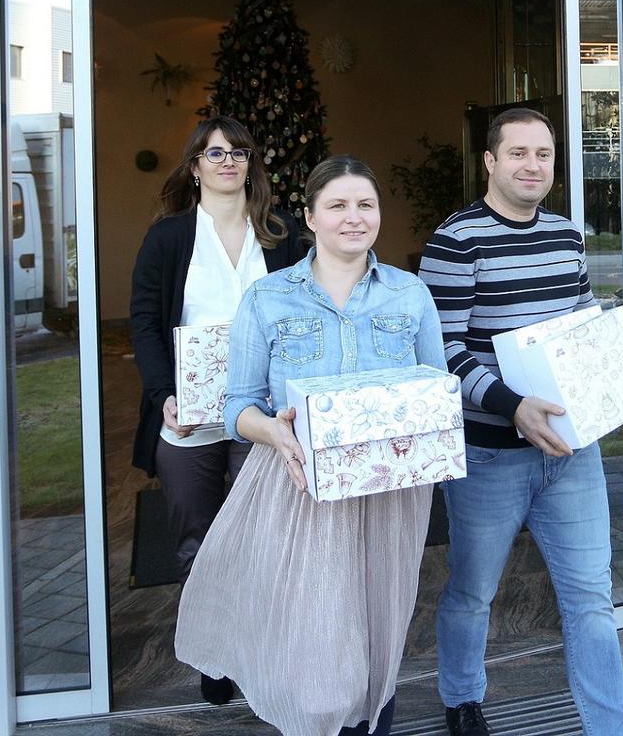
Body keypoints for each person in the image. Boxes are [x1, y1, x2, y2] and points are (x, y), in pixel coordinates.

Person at [175, 155, 446, 736]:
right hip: (300, 489)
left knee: (380, 627)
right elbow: (237, 406)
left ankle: (374, 722)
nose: (354, 217)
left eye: (366, 205)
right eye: (338, 205)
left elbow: (437, 392)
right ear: (311, 217)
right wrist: (273, 430)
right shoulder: (267, 298)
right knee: (318, 634)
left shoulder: (411, 294)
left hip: (390, 491)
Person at [418, 107, 623, 736]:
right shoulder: (456, 240)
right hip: (489, 456)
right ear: (489, 161)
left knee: (591, 597)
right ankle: (462, 698)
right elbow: (440, 352)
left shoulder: (567, 234)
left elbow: (580, 320)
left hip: (569, 451)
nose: (532, 165)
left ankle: (612, 728)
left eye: (544, 154)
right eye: (518, 153)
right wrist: (512, 405)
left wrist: (604, 376)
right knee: (473, 591)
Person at [128, 116, 305, 705]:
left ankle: (259, 652)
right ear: (195, 166)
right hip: (188, 416)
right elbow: (144, 323)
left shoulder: (280, 234)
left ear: (251, 164)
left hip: (263, 414)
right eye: (215, 153)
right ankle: (213, 653)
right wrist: (163, 395)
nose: (228, 161)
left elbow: (303, 314)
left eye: (239, 153)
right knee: (196, 541)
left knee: (262, 536)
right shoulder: (169, 237)